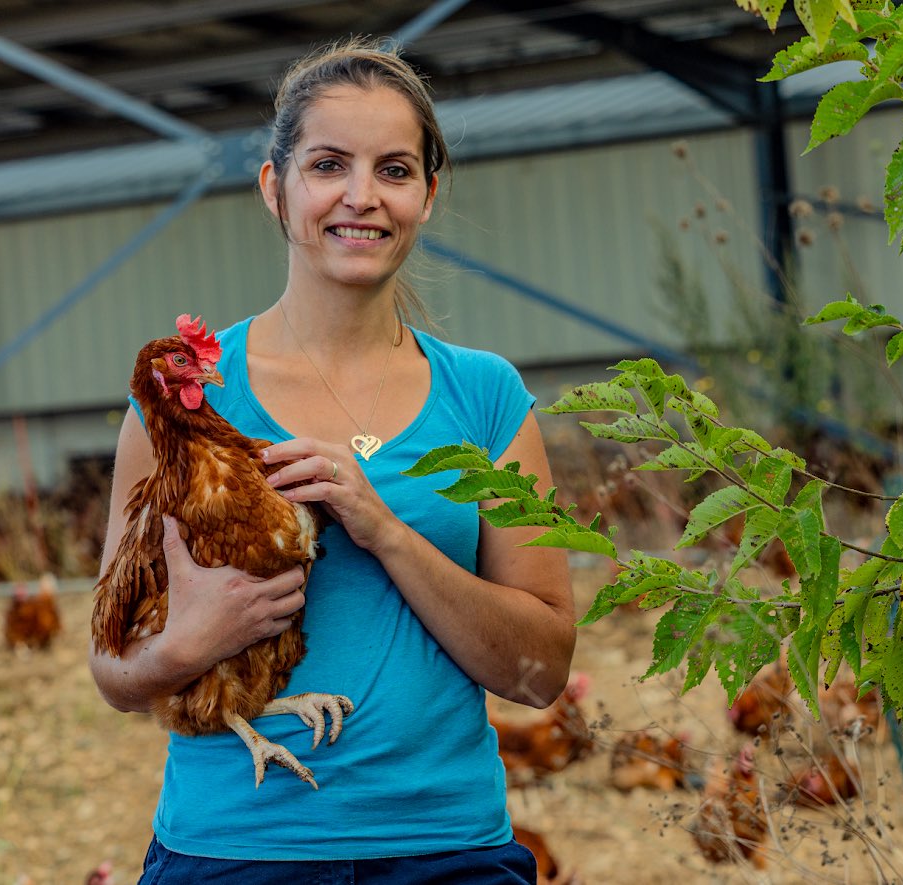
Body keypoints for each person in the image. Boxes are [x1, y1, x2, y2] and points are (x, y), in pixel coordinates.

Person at [90, 36, 575, 884]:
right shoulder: (187, 404)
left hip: (445, 849)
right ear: (274, 188)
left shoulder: (485, 397)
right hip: (234, 851)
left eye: (394, 170)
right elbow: (113, 670)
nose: (361, 196)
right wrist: (185, 645)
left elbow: (539, 674)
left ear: (427, 194)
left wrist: (386, 531)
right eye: (326, 165)